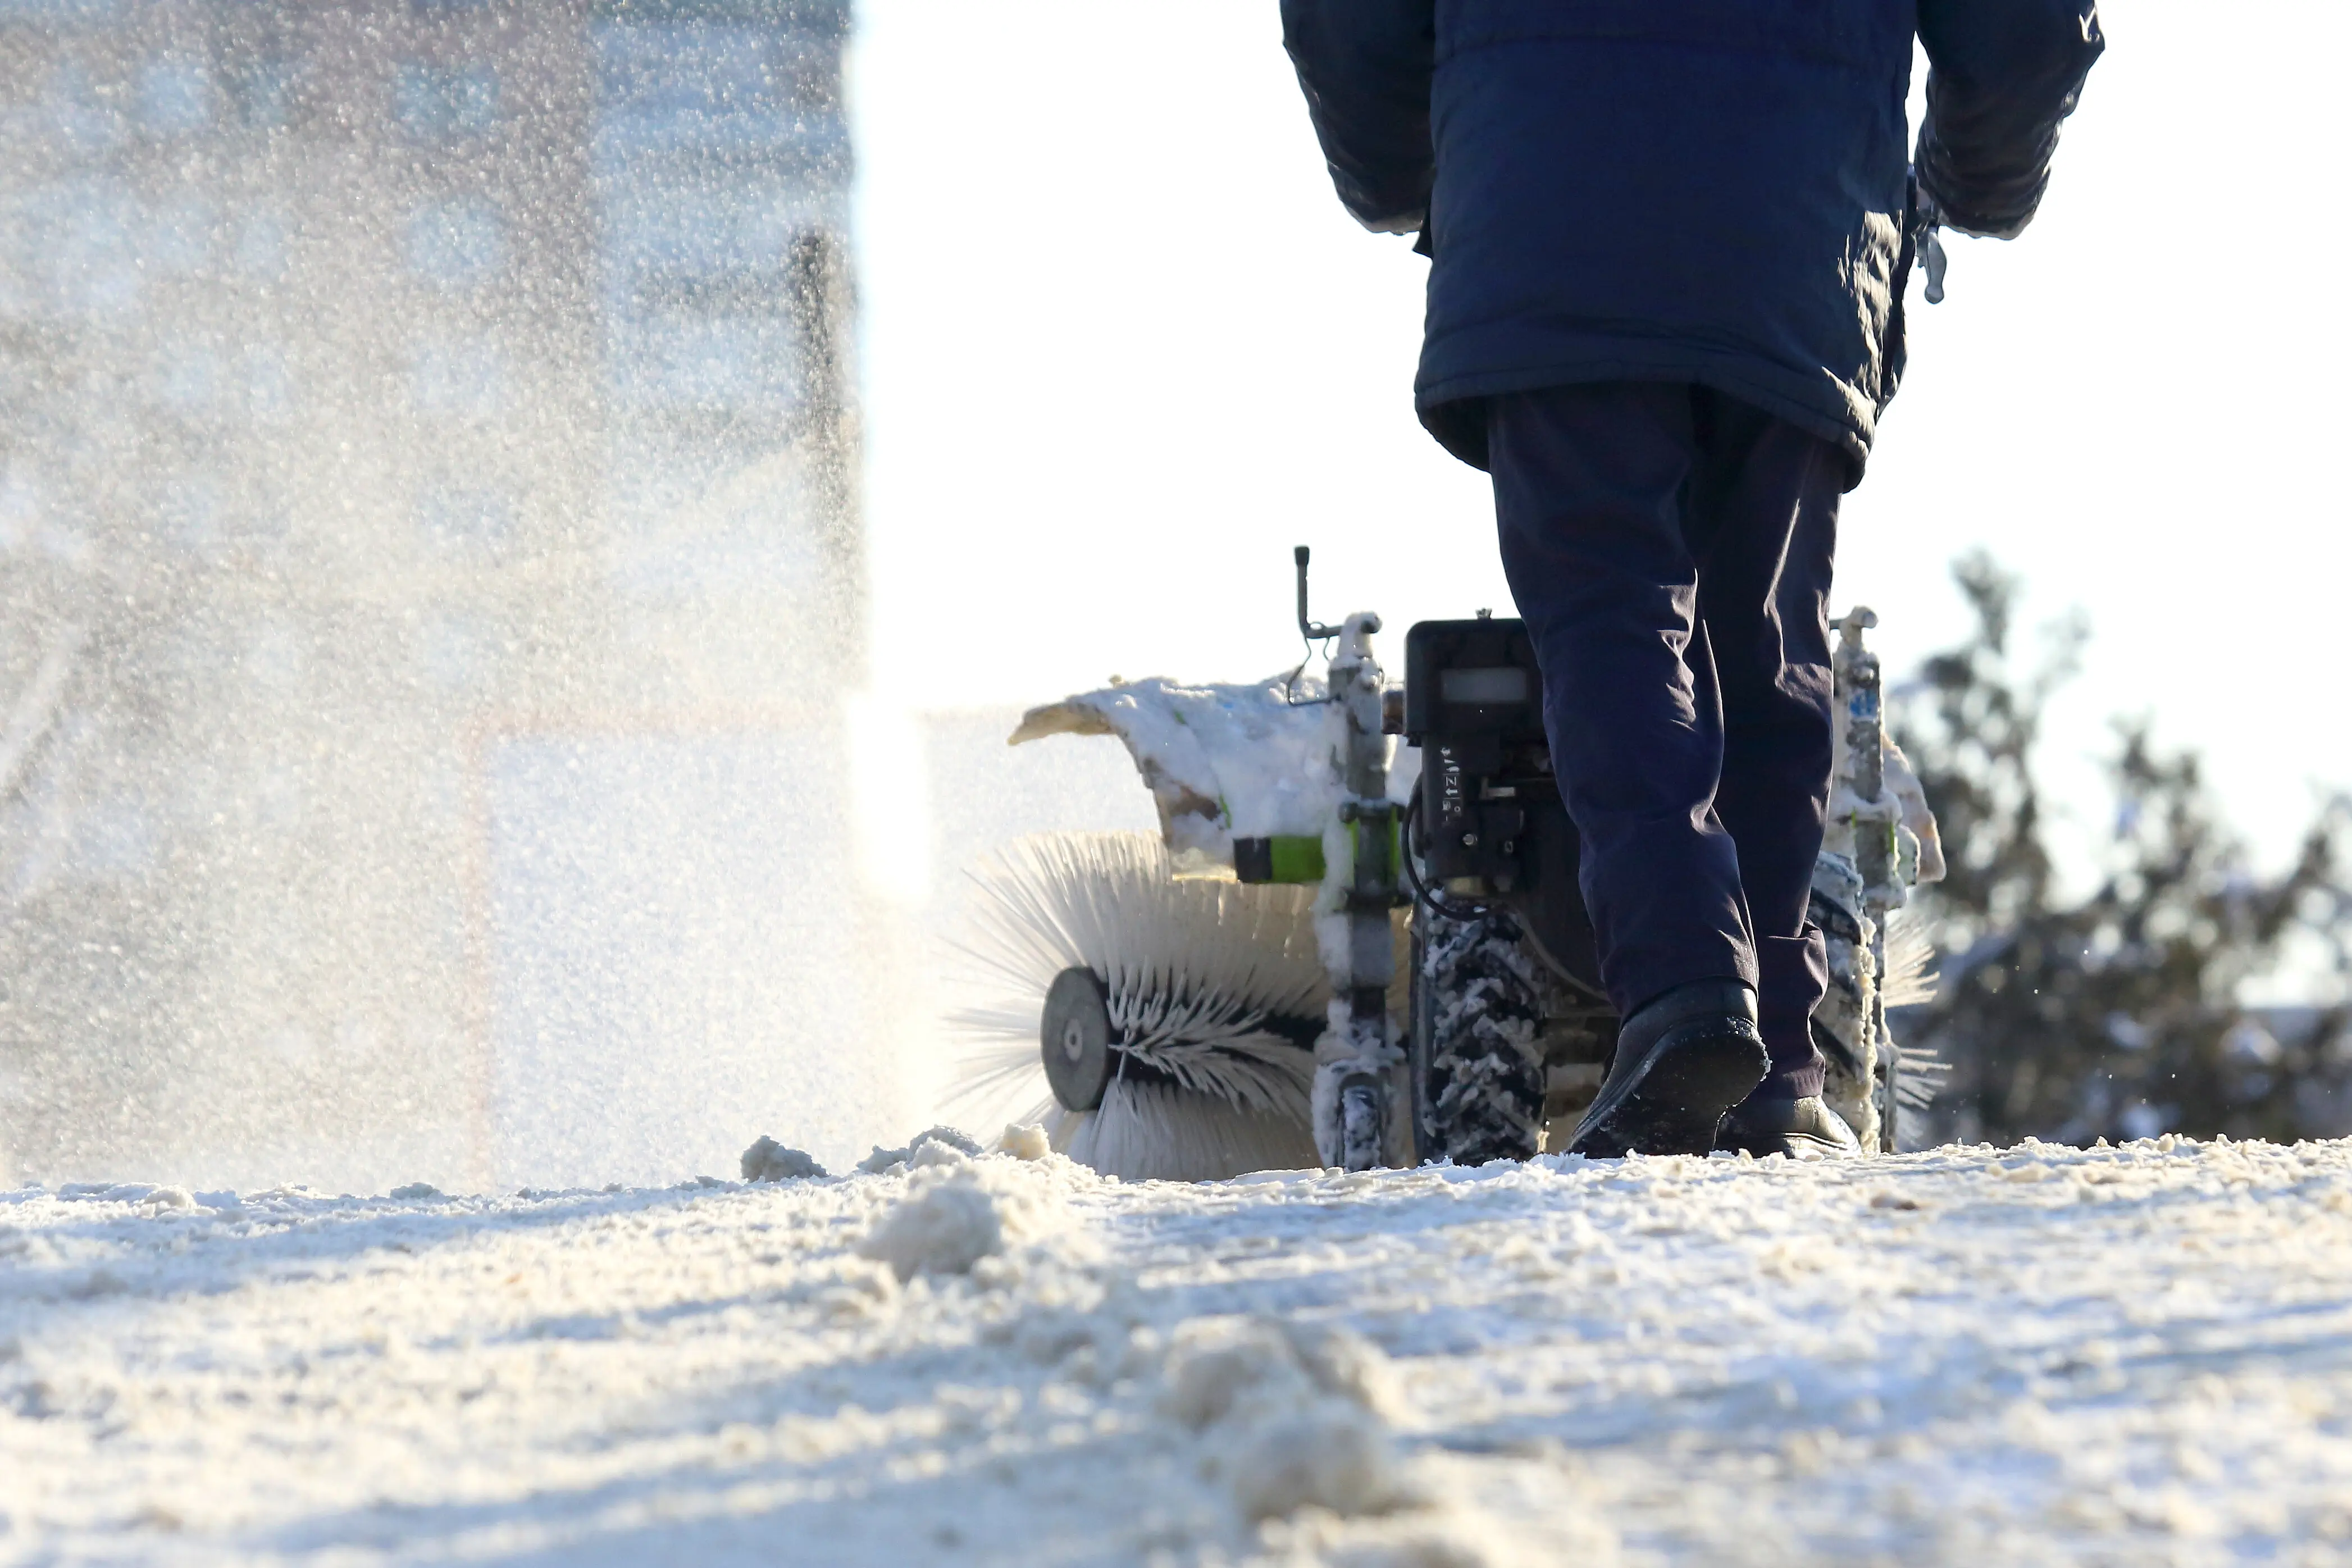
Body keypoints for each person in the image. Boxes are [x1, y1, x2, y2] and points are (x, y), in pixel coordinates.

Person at [1283, 1, 2103, 1157]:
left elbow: (1348, 22)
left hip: (1553, 223)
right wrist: (1974, 180)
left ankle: (1686, 1001)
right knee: (1766, 645)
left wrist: (1406, 171)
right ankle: (1773, 1065)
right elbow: (2026, 29)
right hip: (1799, 240)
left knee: (1616, 623)